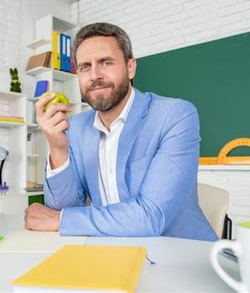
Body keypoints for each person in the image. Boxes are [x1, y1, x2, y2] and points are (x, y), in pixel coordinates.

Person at [24, 22, 217, 241]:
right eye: (85, 67)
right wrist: (58, 149)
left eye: (105, 62)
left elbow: (151, 216)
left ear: (130, 67)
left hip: (181, 254)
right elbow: (63, 209)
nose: (95, 75)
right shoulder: (77, 126)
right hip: (111, 250)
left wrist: (60, 220)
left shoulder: (174, 115)